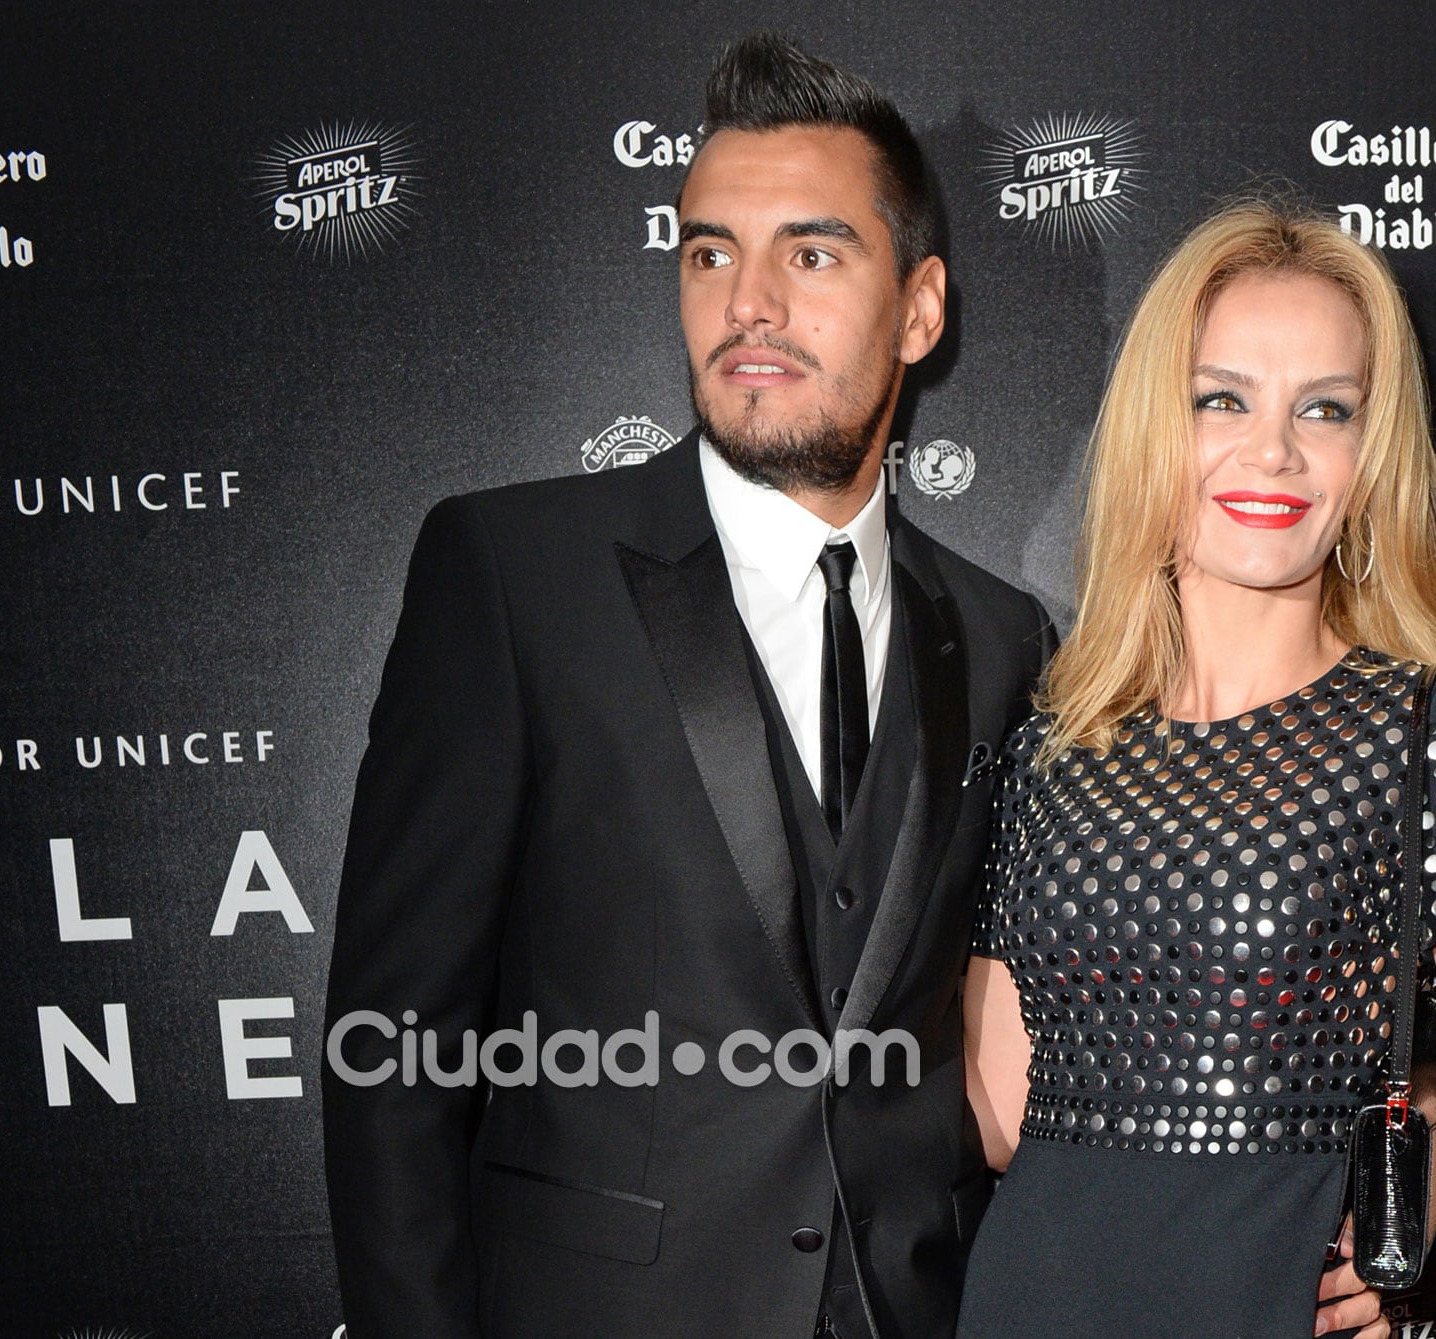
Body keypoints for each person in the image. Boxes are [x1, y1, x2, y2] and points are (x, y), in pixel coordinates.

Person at [320, 34, 1063, 1339]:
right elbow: (393, 1057)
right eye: (711, 251)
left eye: (812, 253)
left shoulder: (1003, 642)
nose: (748, 304)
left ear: (922, 307)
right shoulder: (514, 574)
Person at [959, 201, 1436, 1339]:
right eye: (1221, 398)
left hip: (1264, 1297)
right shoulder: (1057, 739)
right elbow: (994, 1106)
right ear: (1155, 425)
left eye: (1323, 410)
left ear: (1368, 453)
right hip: (1036, 1292)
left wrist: (1424, 1116)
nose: (1273, 449)